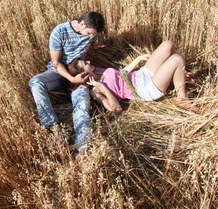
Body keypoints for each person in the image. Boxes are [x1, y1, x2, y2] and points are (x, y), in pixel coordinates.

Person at [29, 11, 106, 153]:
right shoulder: (59, 32)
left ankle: (83, 148)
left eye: (93, 35)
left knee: (81, 105)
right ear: (82, 24)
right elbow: (56, 62)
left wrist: (95, 43)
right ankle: (53, 127)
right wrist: (71, 79)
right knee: (35, 82)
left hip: (79, 73)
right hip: (59, 72)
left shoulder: (89, 32)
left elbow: (92, 38)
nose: (91, 37)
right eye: (89, 33)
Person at [67, 40, 199, 113]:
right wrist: (102, 86)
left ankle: (177, 74)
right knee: (176, 59)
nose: (89, 62)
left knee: (168, 45)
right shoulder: (95, 91)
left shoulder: (98, 70)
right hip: (143, 89)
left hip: (140, 74)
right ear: (83, 74)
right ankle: (182, 99)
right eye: (85, 64)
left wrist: (139, 59)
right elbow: (116, 108)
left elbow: (121, 73)